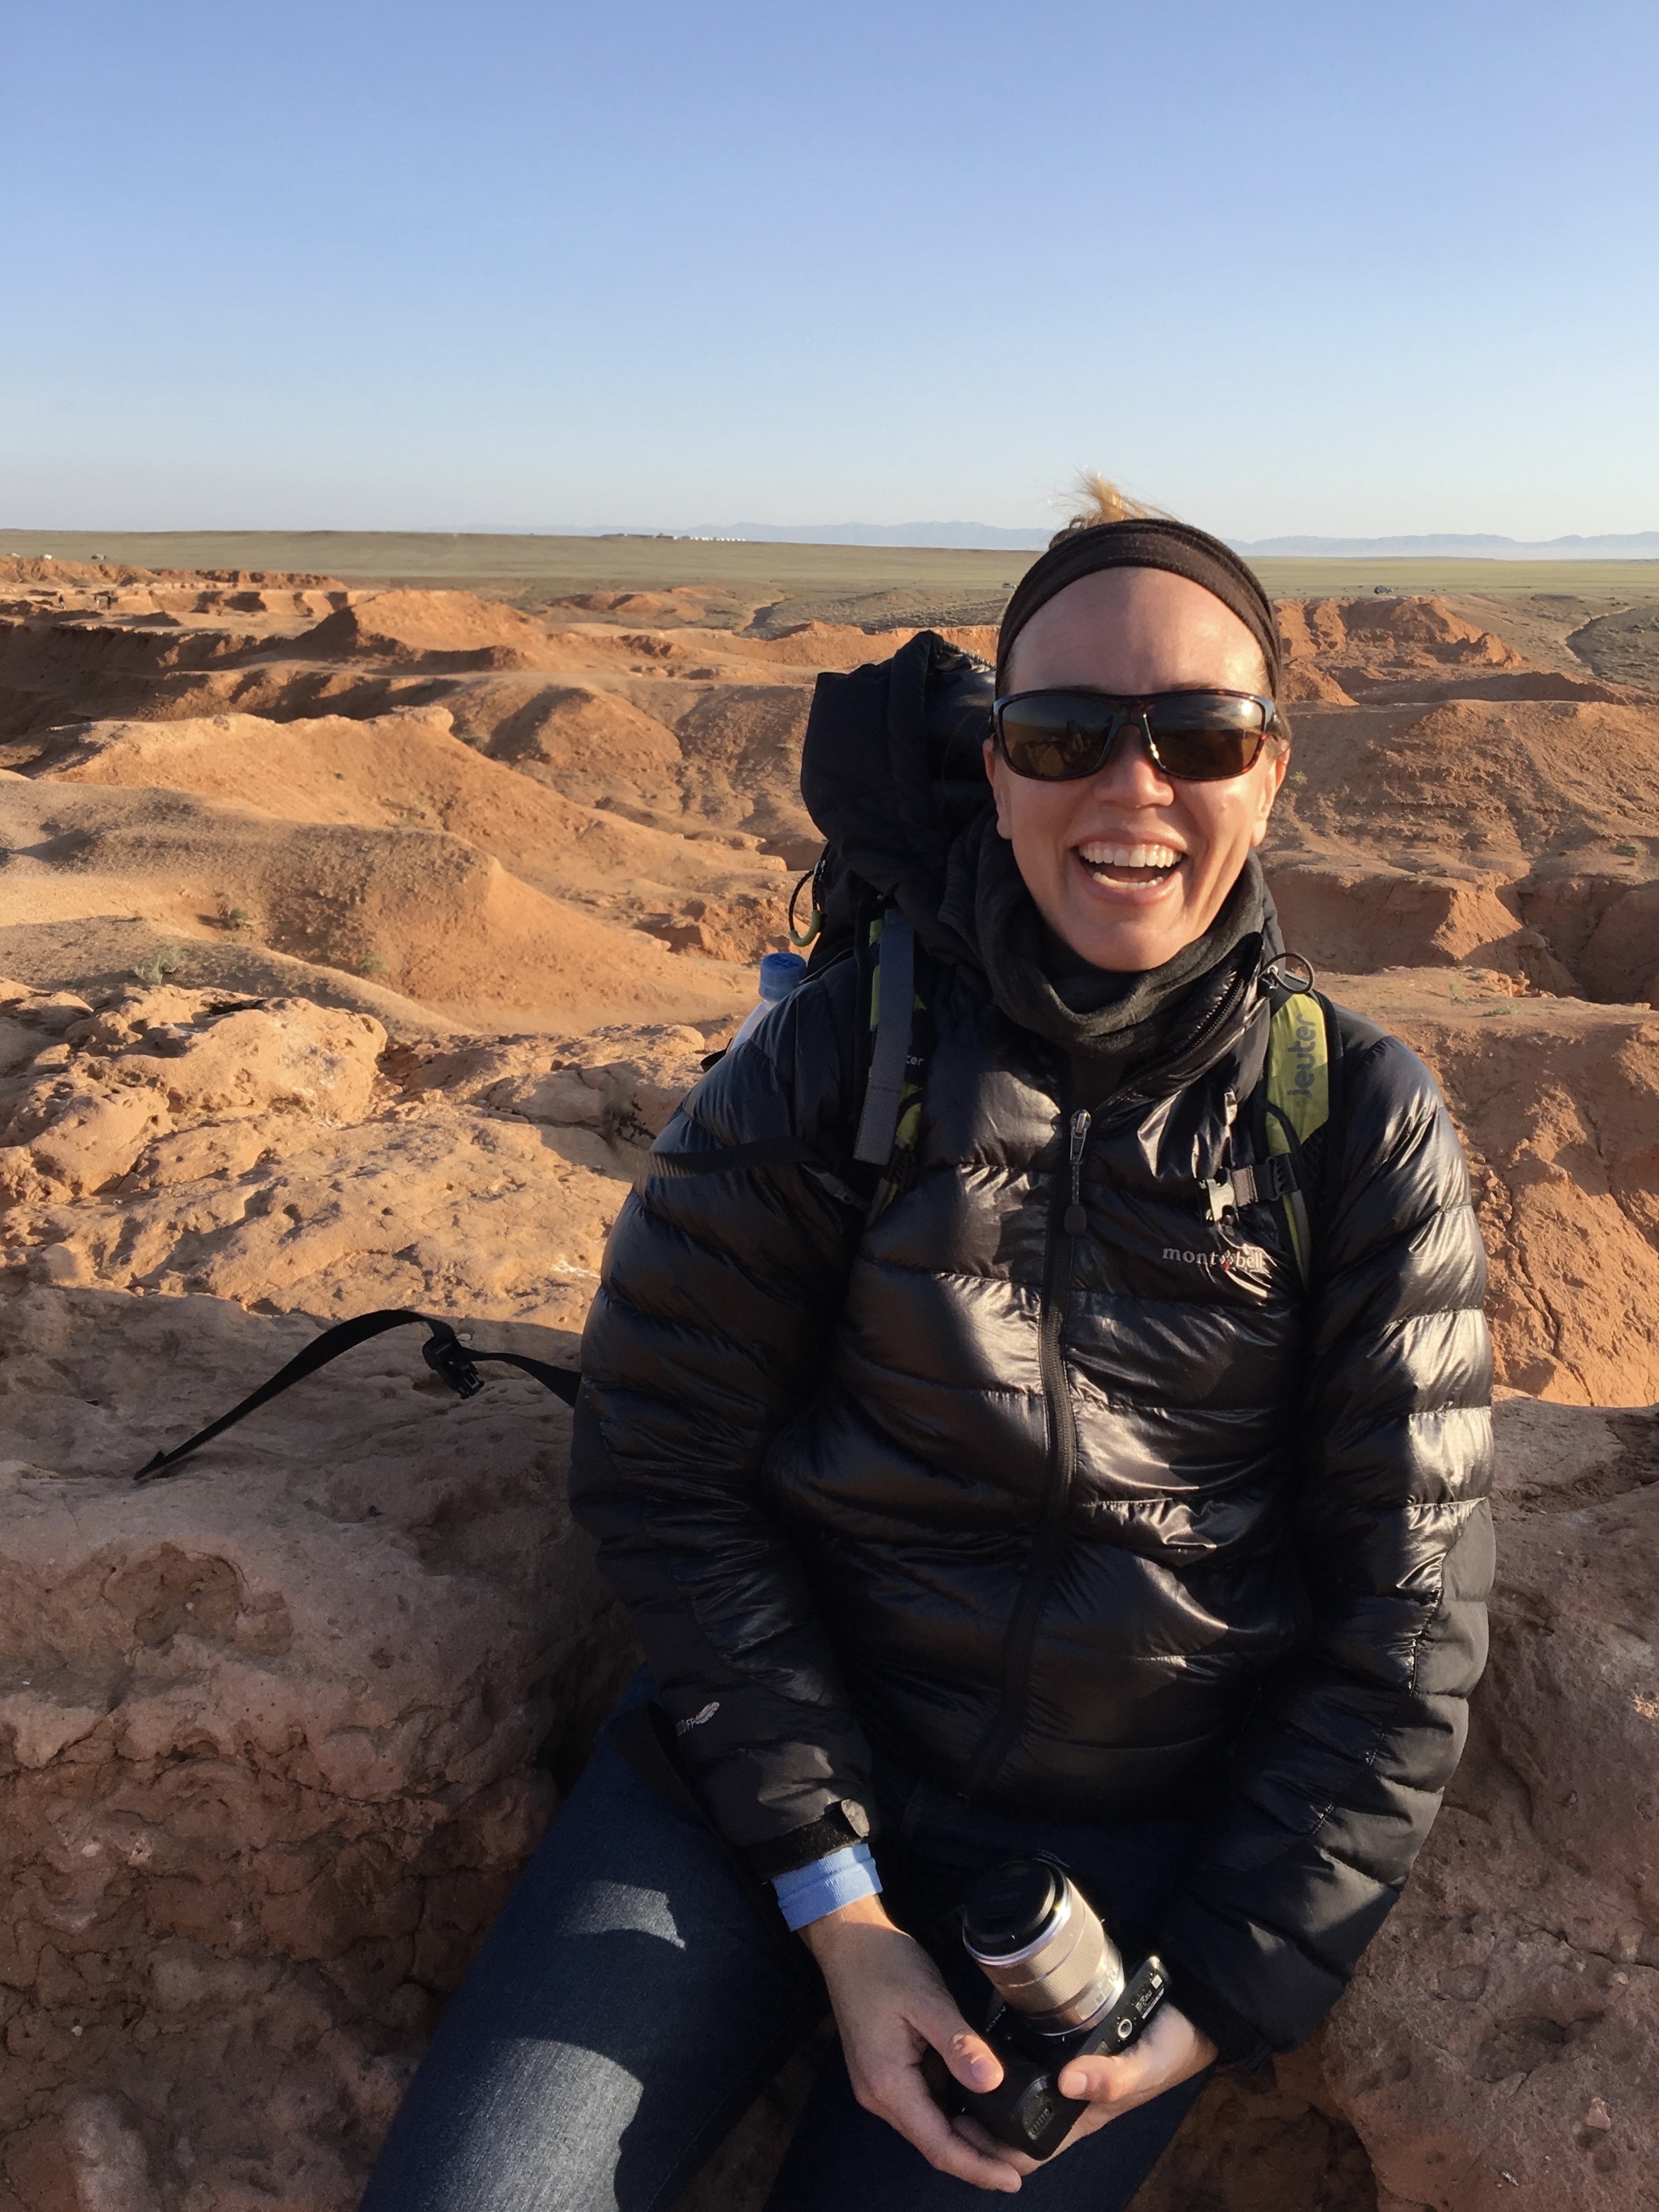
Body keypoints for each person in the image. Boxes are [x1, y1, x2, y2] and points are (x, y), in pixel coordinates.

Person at [361, 487, 1493, 2211]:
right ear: (994, 768)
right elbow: (664, 1464)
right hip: (752, 1796)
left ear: (1270, 771)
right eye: (1062, 734)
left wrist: (1220, 1995)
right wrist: (838, 1899)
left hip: (1105, 1866)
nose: (1132, 792)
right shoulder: (839, 1059)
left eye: (1198, 737)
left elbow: (1406, 1619)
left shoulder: (1348, 1123)